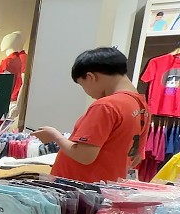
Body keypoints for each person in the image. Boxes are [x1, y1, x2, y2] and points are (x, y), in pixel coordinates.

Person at [34, 47, 150, 184]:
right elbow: (136, 158)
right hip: (106, 186)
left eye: (83, 85)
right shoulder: (142, 106)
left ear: (91, 77)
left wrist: (55, 136)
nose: (88, 93)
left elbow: (84, 156)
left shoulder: (106, 105)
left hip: (78, 188)